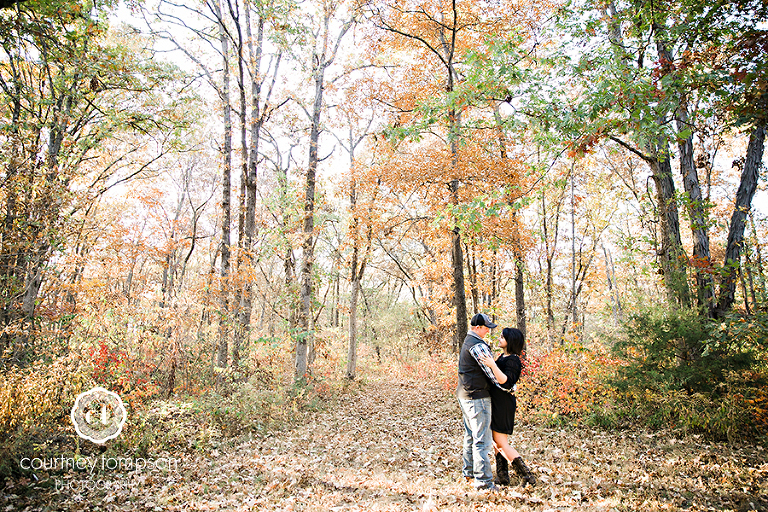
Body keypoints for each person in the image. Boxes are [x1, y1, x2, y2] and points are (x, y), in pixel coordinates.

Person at [456, 313, 513, 491]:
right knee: (482, 440)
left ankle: (469, 473)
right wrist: (508, 387)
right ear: (477, 328)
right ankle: (484, 482)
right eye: (486, 327)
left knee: (470, 436)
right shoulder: (477, 345)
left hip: (465, 394)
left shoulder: (469, 341)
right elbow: (491, 374)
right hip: (477, 397)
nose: (488, 330)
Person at [479, 327, 536, 486]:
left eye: (502, 337)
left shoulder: (513, 360)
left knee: (501, 442)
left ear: (510, 341)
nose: (499, 339)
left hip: (503, 404)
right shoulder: (503, 357)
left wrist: (492, 365)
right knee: (496, 441)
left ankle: (526, 475)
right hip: (497, 402)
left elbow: (506, 382)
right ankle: (502, 476)